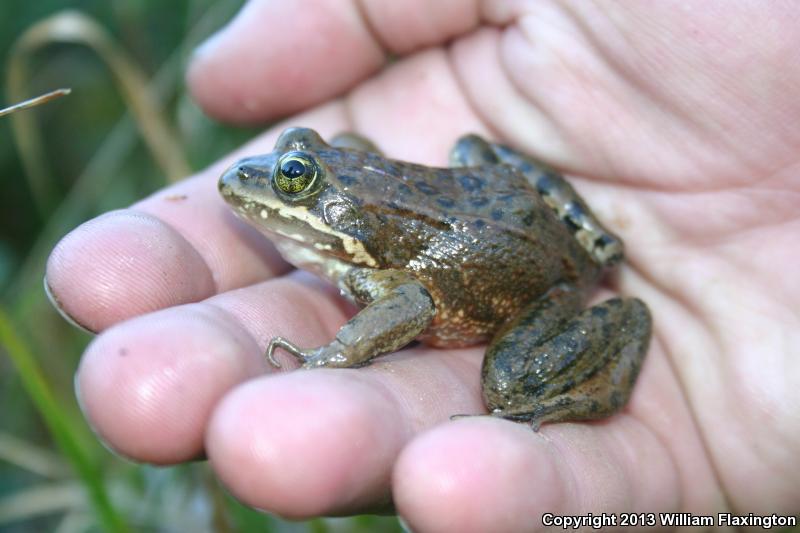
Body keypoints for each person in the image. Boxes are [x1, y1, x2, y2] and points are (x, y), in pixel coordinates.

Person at [45, 1, 800, 531]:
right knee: (471, 149)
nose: (259, 182)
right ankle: (589, 247)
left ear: (330, 201)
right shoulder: (358, 219)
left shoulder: (374, 266)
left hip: (534, 286)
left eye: (298, 179)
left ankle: (583, 383)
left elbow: (407, 305)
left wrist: (334, 353)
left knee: (505, 385)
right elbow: (376, 204)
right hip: (515, 215)